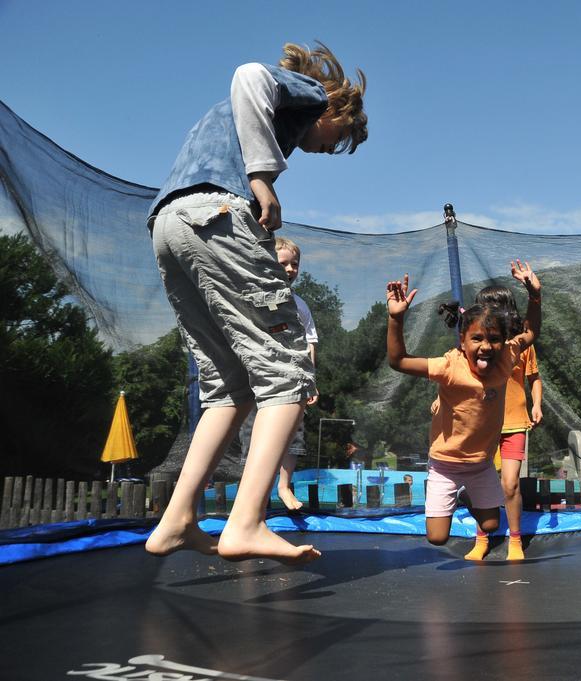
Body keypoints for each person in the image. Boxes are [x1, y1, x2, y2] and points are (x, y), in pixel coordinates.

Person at [144, 41, 368, 563]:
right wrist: (262, 176)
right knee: (288, 371)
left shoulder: (231, 123)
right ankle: (246, 521)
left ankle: (177, 519)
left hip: (169, 223)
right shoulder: (309, 95)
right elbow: (248, 74)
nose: (329, 150)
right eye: (340, 139)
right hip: (217, 214)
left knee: (228, 385)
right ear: (335, 109)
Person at [385, 262, 541, 558]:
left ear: (503, 342)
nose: (486, 347)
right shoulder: (449, 365)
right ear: (462, 341)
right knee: (437, 538)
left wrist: (535, 296)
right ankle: (456, 493)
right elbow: (399, 361)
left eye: (494, 339)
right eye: (477, 339)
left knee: (492, 523)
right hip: (445, 463)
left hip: (480, 464)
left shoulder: (507, 357)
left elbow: (531, 333)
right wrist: (396, 319)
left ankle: (469, 494)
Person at [238, 237, 319, 511]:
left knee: (293, 434)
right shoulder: (253, 296)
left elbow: (310, 344)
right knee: (252, 433)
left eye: (294, 264)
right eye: (283, 263)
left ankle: (284, 486)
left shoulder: (300, 305)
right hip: (258, 380)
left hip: (293, 378)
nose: (290, 269)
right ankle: (254, 496)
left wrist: (311, 381)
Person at [476, 285, 542, 561]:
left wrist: (537, 404)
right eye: (483, 307)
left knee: (510, 484)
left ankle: (515, 540)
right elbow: (455, 376)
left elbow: (534, 378)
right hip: (484, 424)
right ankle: (481, 538)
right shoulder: (479, 344)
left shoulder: (521, 344)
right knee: (482, 483)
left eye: (492, 307)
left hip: (514, 422)